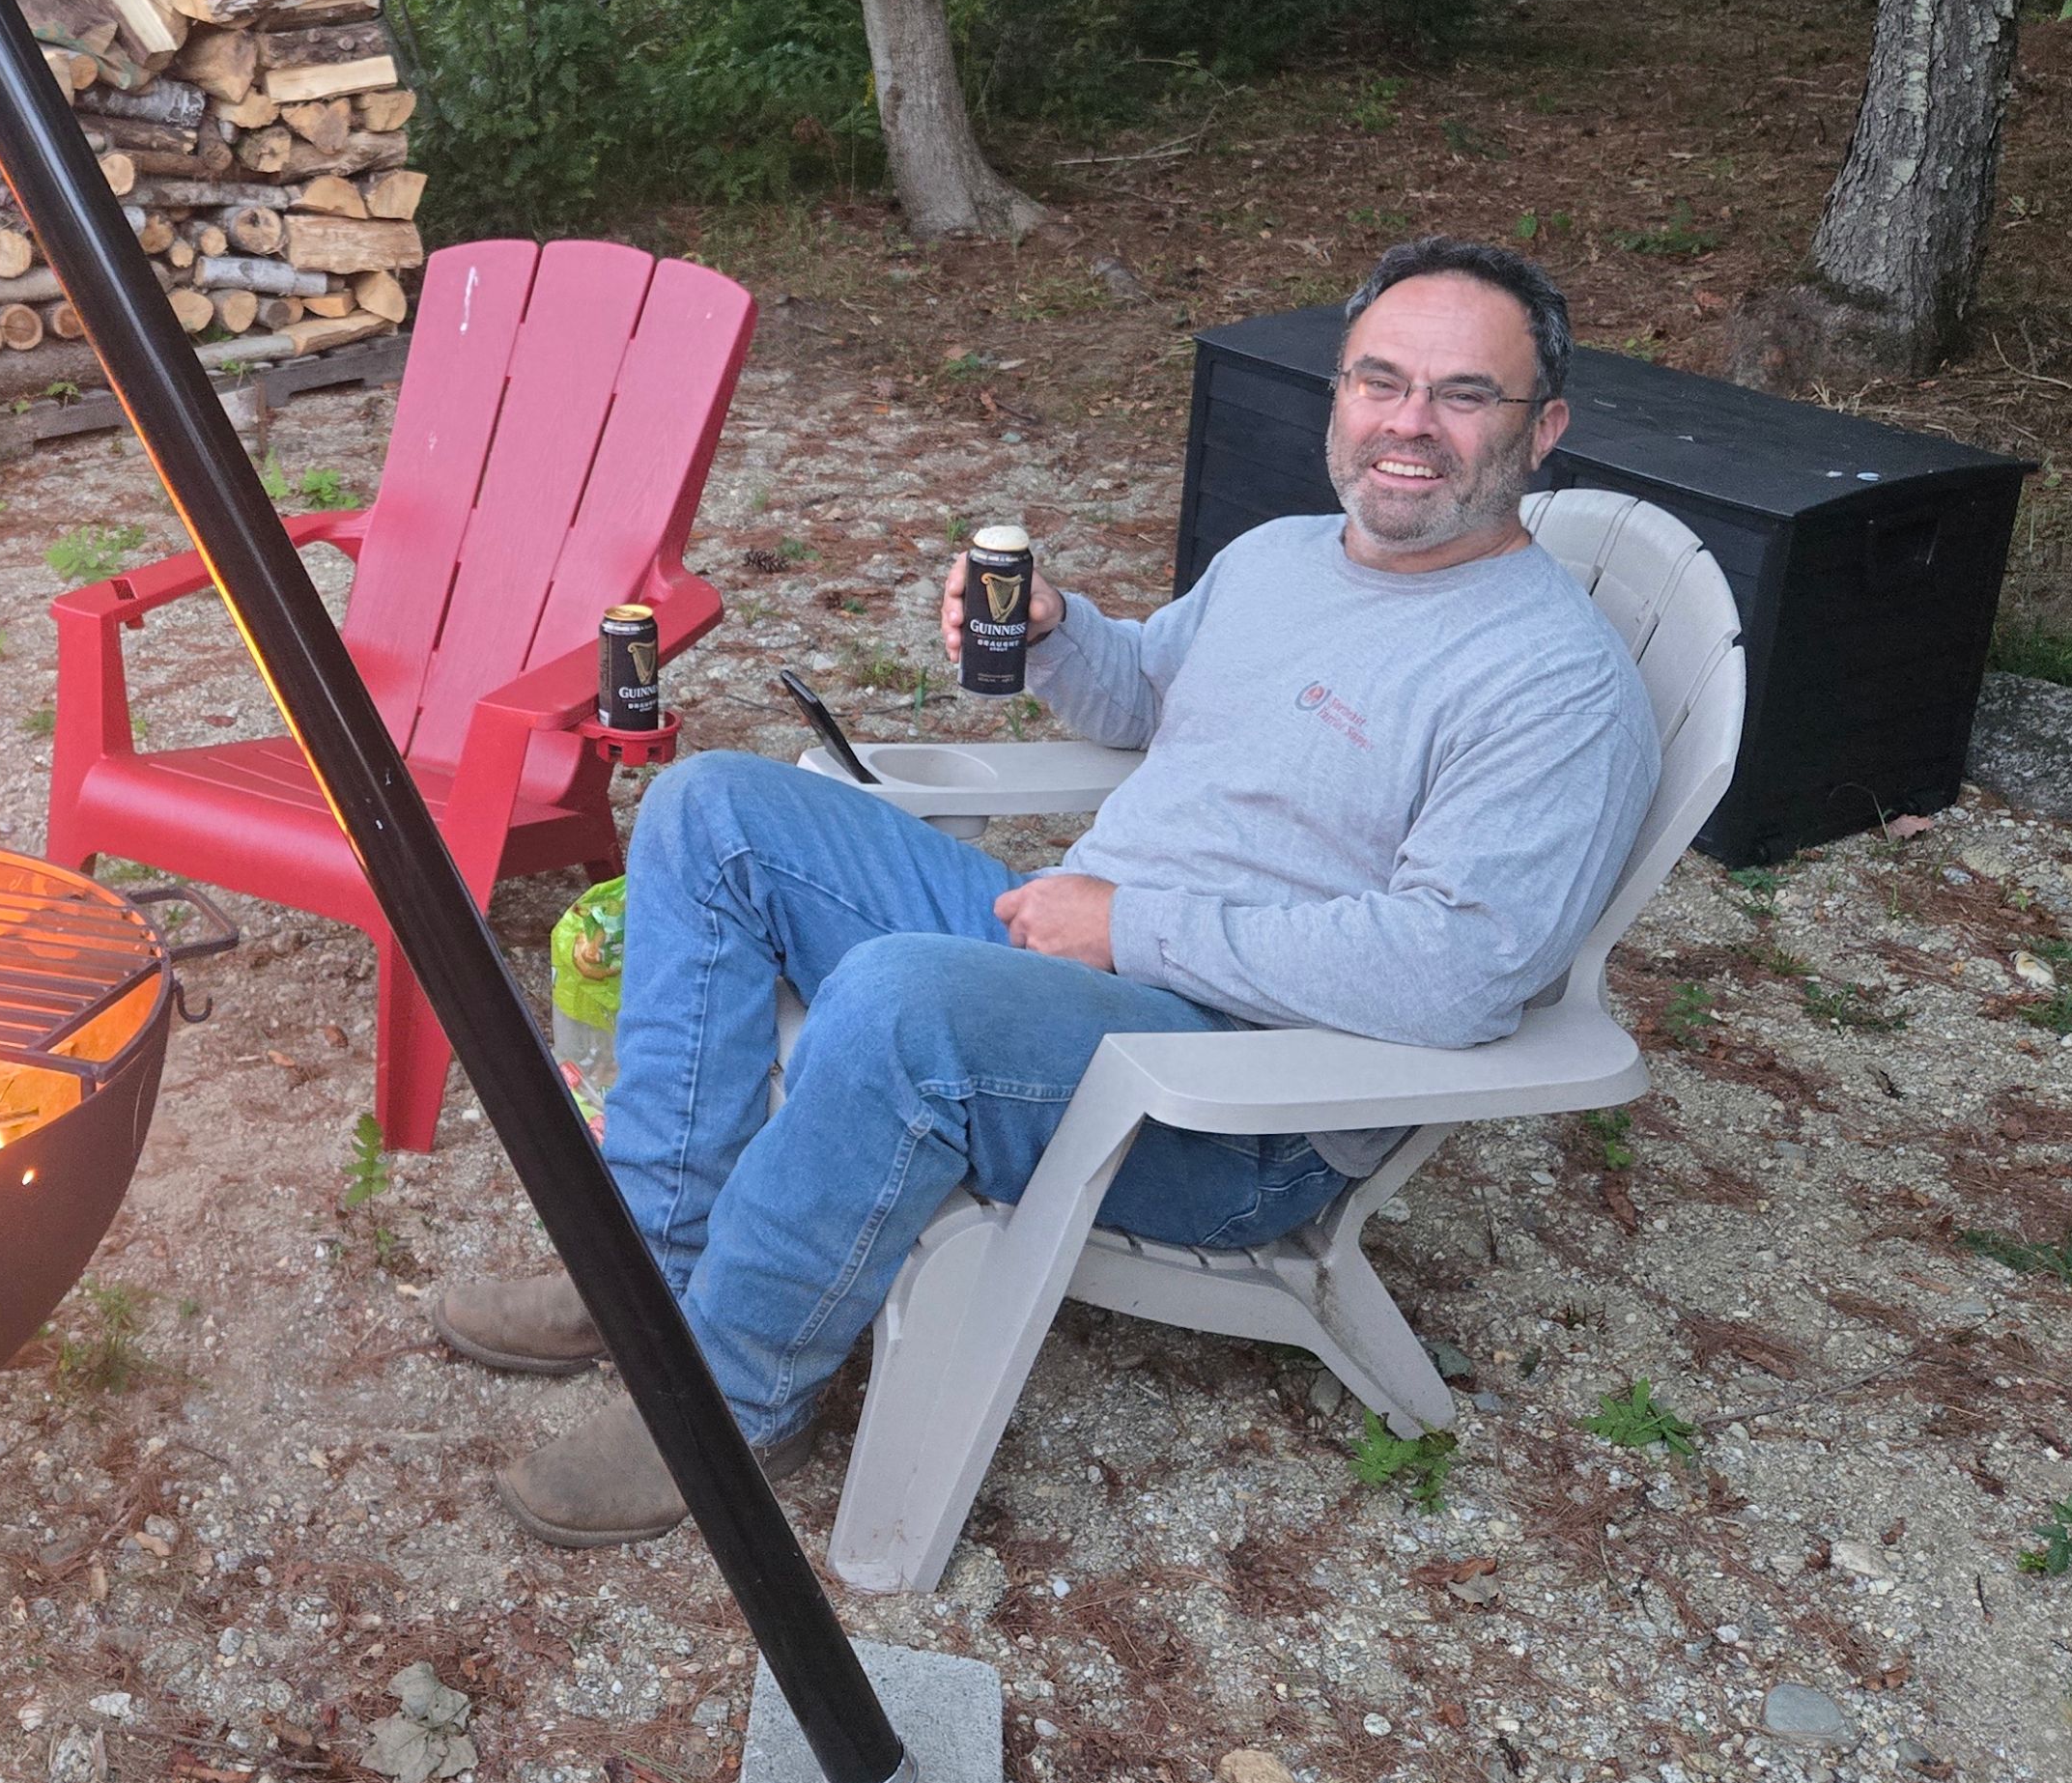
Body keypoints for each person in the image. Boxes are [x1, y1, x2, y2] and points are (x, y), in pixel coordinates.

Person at [432, 237, 1663, 1547]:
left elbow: (1456, 973)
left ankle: (731, 1399)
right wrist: (1066, 634)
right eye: (1381, 380)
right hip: (1072, 961)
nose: (1411, 422)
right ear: (1342, 396)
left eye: (1465, 393)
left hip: (1232, 1098)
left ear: (1545, 431)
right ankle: (647, 1273)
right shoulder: (1293, 555)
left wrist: (1133, 925)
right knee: (710, 808)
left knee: (903, 1004)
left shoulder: (1554, 687)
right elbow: (1147, 693)